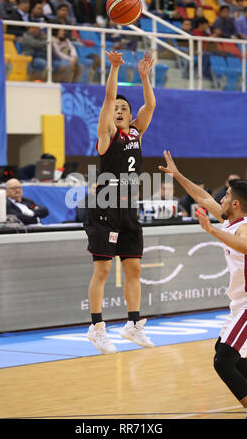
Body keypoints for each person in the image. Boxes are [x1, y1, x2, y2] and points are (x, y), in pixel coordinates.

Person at [159, 150, 247, 419]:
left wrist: (211, 231)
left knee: (223, 361)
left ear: (236, 205)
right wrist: (178, 176)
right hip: (242, 303)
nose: (221, 197)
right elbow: (202, 196)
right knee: (227, 350)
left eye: (227, 196)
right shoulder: (232, 221)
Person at [84, 50, 156, 355]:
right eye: (116, 108)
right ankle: (97, 328)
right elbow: (107, 99)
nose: (119, 111)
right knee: (102, 270)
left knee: (135, 269)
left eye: (124, 108)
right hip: (104, 207)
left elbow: (150, 105)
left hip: (128, 208)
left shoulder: (137, 133)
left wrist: (144, 76)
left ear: (130, 115)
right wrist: (114, 69)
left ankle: (133, 324)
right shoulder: (107, 135)